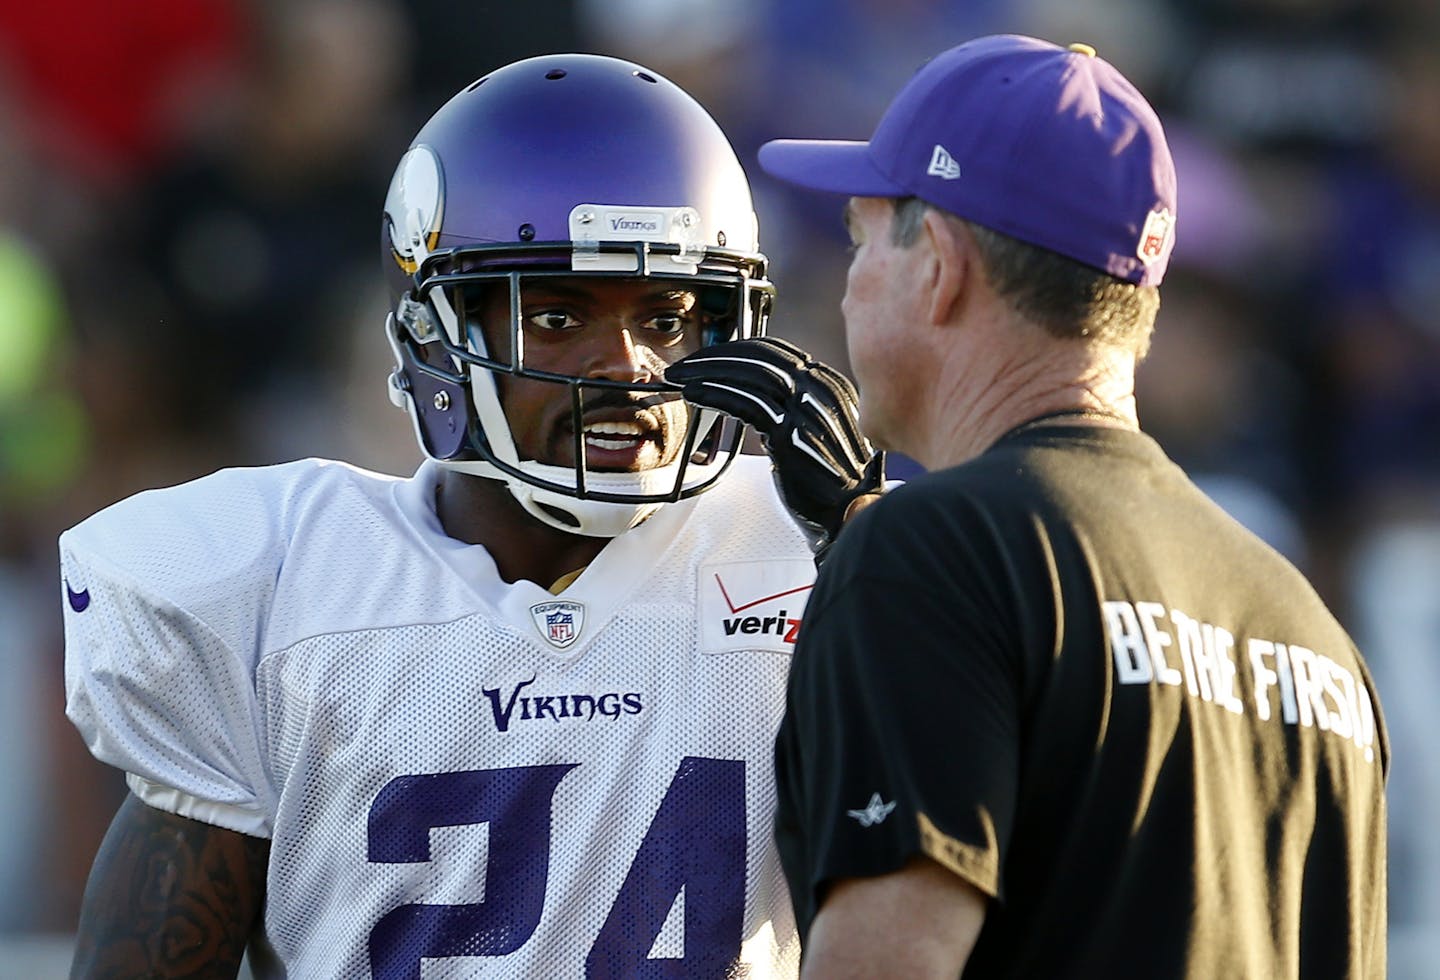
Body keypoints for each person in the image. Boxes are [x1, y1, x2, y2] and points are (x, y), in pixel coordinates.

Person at [60, 53, 880, 978]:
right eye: (560, 316)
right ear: (437, 337)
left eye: (666, 316)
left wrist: (886, 564)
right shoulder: (275, 586)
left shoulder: (815, 552)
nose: (631, 367)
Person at [674, 34, 1389, 978]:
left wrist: (875, 555)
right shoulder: (1311, 635)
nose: (847, 282)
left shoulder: (928, 554)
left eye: (859, 235)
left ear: (938, 261)